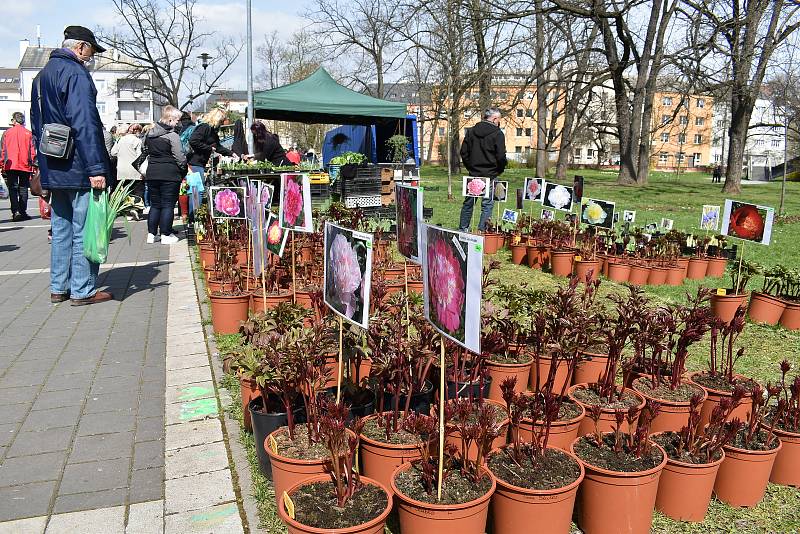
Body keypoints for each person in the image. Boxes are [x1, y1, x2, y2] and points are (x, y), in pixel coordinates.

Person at [30, 25, 113, 305]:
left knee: (61, 227)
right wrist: (96, 169)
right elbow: (85, 124)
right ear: (80, 47)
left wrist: (43, 167)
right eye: (90, 51)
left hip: (54, 165)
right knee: (83, 228)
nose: (91, 58)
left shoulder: (41, 77)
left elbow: (36, 127)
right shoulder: (76, 74)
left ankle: (59, 287)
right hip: (78, 166)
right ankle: (83, 290)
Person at [458, 107, 507, 232]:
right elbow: (501, 156)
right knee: (487, 205)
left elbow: (464, 152)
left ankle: (463, 229)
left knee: (468, 204)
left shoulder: (471, 131)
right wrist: (498, 170)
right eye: (499, 120)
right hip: (490, 174)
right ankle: (482, 231)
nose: (499, 122)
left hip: (473, 173)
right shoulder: (498, 134)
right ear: (495, 118)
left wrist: (471, 167)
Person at [144, 106, 186, 244]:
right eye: (177, 120)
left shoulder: (149, 133)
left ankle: (151, 234)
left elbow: (144, 150)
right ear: (170, 119)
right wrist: (183, 169)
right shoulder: (172, 136)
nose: (178, 123)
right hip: (169, 173)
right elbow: (180, 157)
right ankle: (166, 234)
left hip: (152, 172)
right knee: (168, 204)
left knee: (155, 204)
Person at [1, 112, 36, 221]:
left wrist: (2, 163)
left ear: (14, 121)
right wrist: (33, 164)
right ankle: (23, 211)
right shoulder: (29, 134)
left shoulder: (7, 133)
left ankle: (15, 211)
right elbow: (32, 151)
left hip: (11, 165)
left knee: (13, 188)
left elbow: (3, 150)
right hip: (25, 165)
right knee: (24, 188)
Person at [110, 123, 144, 218]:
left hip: (121, 170)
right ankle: (136, 208)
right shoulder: (137, 141)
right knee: (137, 191)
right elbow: (140, 156)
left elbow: (113, 152)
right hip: (135, 170)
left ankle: (128, 212)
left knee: (126, 191)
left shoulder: (120, 140)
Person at [187, 108, 232, 181]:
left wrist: (232, 153)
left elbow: (217, 147)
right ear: (217, 119)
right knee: (196, 190)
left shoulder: (213, 131)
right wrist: (209, 148)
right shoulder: (204, 127)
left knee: (198, 189)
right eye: (221, 121)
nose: (222, 123)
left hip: (200, 164)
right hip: (194, 163)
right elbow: (193, 141)